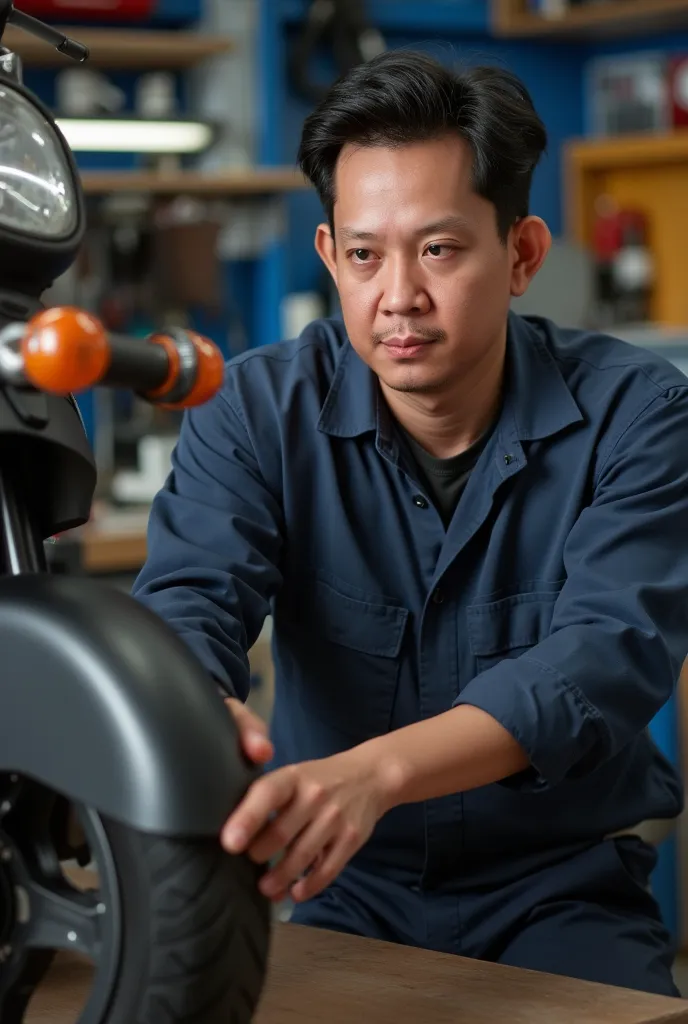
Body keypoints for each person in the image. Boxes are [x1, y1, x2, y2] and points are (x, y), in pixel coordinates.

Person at [132, 50, 688, 995]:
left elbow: (600, 658)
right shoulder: (253, 412)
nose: (398, 297)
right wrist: (200, 711)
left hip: (561, 887)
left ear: (522, 255)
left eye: (438, 249)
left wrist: (373, 775)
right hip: (343, 884)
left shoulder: (640, 416)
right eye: (364, 254)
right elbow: (188, 604)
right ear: (329, 258)